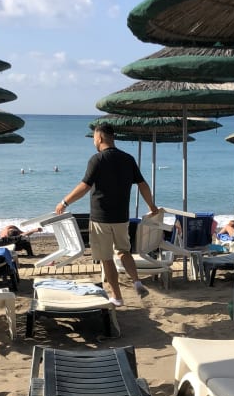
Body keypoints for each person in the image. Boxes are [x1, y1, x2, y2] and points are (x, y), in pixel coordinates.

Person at [55, 123, 159, 306]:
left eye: (94, 138)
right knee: (124, 251)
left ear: (100, 137)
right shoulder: (128, 159)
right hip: (121, 217)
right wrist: (151, 205)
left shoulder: (97, 159)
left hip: (100, 218)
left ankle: (117, 296)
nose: (94, 142)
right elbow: (142, 185)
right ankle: (136, 281)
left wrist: (64, 202)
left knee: (106, 258)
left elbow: (84, 186)